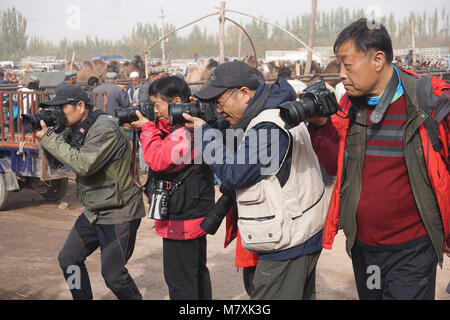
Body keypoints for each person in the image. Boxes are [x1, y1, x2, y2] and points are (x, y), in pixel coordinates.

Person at [308, 18, 450, 300]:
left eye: (347, 65)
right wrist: (320, 125)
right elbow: (333, 166)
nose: (342, 75)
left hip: (412, 252)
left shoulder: (427, 102)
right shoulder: (350, 106)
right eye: (339, 66)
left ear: (377, 59)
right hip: (365, 251)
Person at [183, 61, 328, 300]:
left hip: (289, 243)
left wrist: (204, 134)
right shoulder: (275, 111)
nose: (219, 110)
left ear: (244, 93)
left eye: (220, 102)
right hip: (298, 234)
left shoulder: (270, 124)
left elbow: (234, 174)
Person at [35, 84, 145, 300]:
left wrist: (49, 138)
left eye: (61, 108)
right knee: (68, 259)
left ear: (80, 106)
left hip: (119, 212)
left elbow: (84, 164)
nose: (57, 113)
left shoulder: (104, 128)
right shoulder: (75, 128)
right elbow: (58, 162)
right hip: (95, 210)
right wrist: (48, 136)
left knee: (114, 276)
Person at [129, 75, 214, 300]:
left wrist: (147, 128)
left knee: (181, 283)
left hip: (183, 218)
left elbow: (159, 159)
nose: (155, 111)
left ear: (176, 100)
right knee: (195, 274)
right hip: (192, 211)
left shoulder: (186, 130)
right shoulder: (191, 120)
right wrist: (149, 125)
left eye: (157, 105)